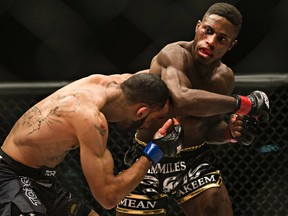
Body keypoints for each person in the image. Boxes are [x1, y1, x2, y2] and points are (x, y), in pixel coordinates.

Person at [117, 3, 270, 216]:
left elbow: (210, 128)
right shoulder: (173, 55)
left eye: (221, 39)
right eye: (208, 31)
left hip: (193, 161)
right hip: (148, 156)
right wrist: (245, 104)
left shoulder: (224, 78)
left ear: (231, 46)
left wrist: (229, 133)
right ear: (198, 27)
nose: (211, 41)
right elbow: (181, 98)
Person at [0, 72, 186, 216]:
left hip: (44, 180)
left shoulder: (115, 83)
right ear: (141, 112)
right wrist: (155, 151)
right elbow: (108, 197)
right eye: (154, 119)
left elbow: (160, 69)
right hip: (11, 178)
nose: (150, 125)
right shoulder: (90, 120)